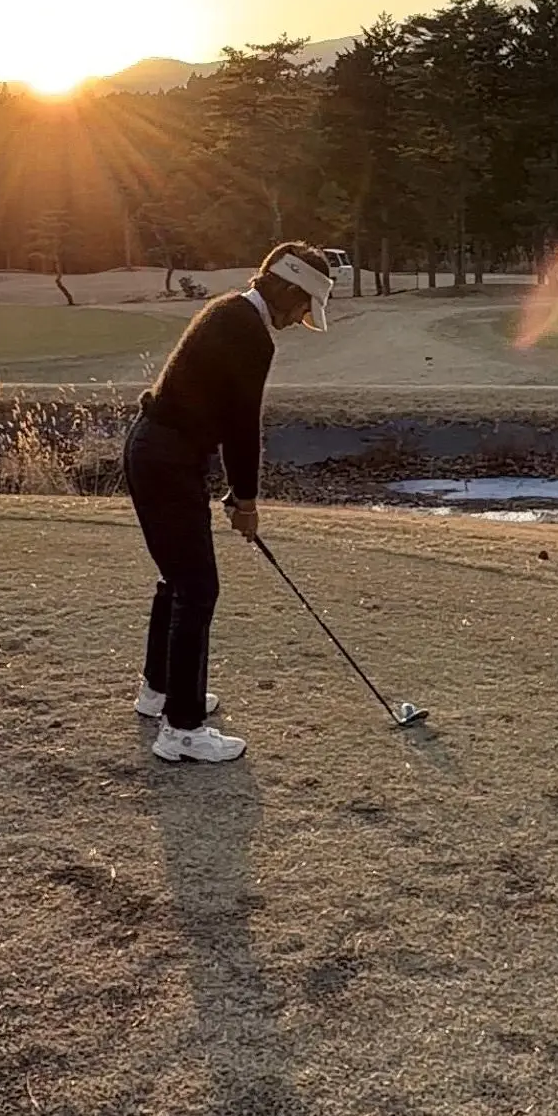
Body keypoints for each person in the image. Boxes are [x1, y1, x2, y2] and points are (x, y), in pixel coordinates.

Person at [122, 240, 335, 764]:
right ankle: (183, 729)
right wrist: (246, 500)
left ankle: (160, 691)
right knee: (198, 590)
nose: (301, 318)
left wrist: (233, 491)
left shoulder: (229, 311)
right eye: (303, 305)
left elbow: (215, 414)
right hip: (167, 458)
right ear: (287, 287)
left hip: (157, 451)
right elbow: (243, 427)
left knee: (179, 582)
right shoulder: (248, 331)